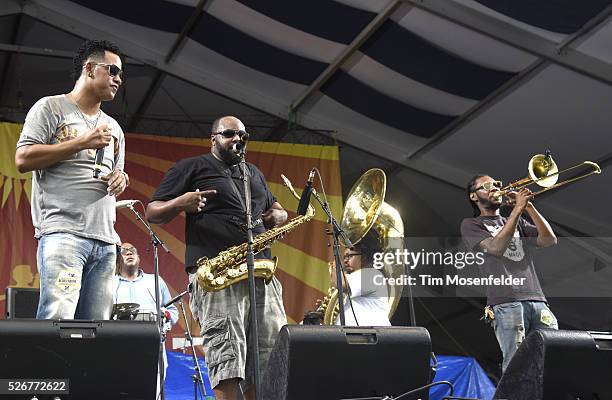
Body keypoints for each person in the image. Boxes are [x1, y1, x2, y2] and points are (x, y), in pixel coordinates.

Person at [145, 116, 288, 400]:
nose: (238, 139)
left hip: (260, 273)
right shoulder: (192, 167)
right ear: (213, 138)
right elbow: (153, 211)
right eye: (230, 134)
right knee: (228, 360)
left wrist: (280, 214)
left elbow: (275, 205)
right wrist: (180, 202)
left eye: (243, 136)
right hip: (219, 276)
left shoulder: (253, 173)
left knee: (269, 359)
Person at [15, 39, 129, 320]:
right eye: (112, 70)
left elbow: (118, 171)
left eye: (121, 75)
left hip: (105, 240)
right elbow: (23, 159)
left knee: (97, 330)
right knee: (58, 322)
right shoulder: (50, 108)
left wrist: (121, 178)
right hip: (63, 233)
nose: (118, 79)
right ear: (90, 69)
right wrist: (80, 142)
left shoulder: (114, 127)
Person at [461, 175, 558, 373]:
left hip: (537, 299)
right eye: (487, 186)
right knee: (516, 363)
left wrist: (529, 207)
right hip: (506, 301)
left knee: (550, 359)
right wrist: (517, 210)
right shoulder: (471, 224)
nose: (495, 188)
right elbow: (496, 248)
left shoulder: (516, 220)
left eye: (497, 184)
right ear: (474, 196)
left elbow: (549, 240)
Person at [113, 242, 178, 392]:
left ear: (139, 257)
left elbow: (172, 311)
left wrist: (165, 316)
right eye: (124, 251)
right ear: (117, 259)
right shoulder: (110, 283)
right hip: (119, 347)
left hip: (152, 346)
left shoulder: (154, 281)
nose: (129, 253)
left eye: (132, 250)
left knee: (151, 390)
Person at [331, 238, 391, 326]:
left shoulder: (372, 274)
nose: (345, 261)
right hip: (356, 335)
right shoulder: (356, 278)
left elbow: (341, 284)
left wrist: (335, 264)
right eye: (344, 257)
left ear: (363, 257)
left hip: (368, 336)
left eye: (349, 256)